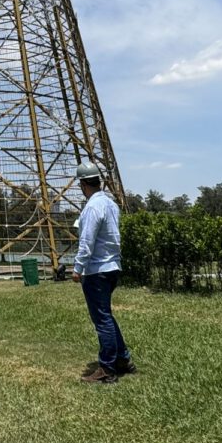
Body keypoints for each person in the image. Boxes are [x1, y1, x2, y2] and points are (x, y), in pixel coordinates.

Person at [73, 161, 134, 384]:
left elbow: (86, 242)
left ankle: (107, 368)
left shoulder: (92, 207)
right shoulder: (111, 204)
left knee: (102, 320)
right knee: (106, 316)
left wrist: (78, 268)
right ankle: (123, 359)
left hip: (97, 269)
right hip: (112, 267)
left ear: (82, 184)